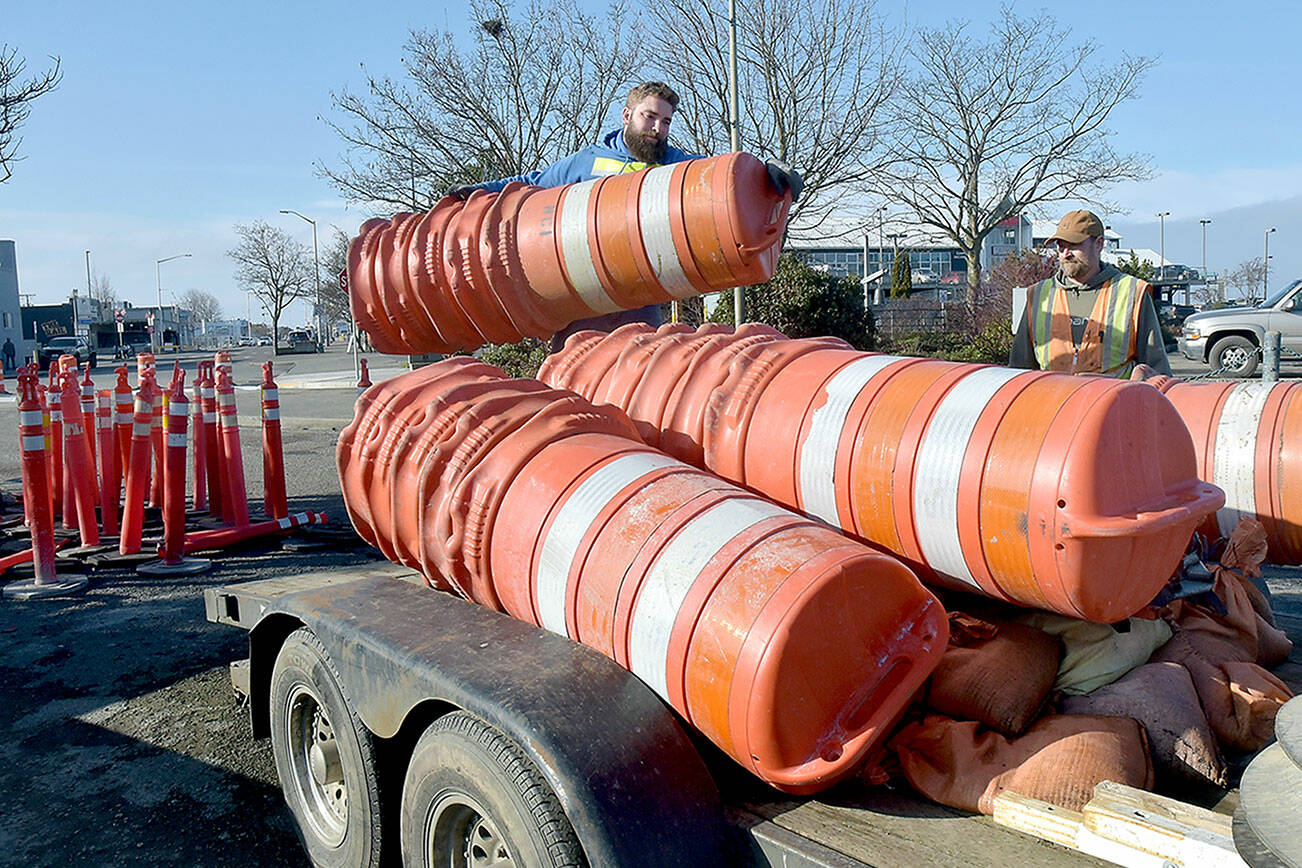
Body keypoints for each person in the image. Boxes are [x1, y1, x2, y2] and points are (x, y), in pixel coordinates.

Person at [449, 81, 802, 351]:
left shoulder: (675, 164)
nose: (658, 129)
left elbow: (718, 181)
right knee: (571, 372)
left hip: (639, 298)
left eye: (666, 121)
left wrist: (766, 175)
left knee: (643, 372)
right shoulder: (588, 161)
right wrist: (480, 191)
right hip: (582, 297)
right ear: (627, 115)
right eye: (650, 117)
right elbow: (532, 183)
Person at [1009, 209, 1170, 377]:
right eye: (1061, 247)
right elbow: (1019, 370)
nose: (1066, 254)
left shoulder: (1132, 292)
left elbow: (1156, 370)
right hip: (1054, 402)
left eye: (1074, 245)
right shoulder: (1038, 295)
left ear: (1099, 244)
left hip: (1113, 402)